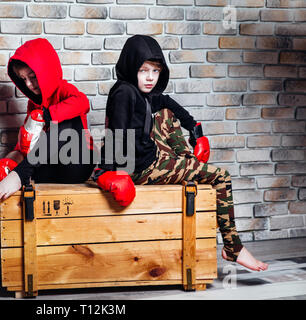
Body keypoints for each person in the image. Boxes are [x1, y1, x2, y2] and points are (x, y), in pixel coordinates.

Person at [94, 35, 268, 272]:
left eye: (155, 71)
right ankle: (232, 247)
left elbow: (167, 102)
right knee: (221, 176)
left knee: (165, 111)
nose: (149, 77)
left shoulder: (138, 91)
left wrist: (196, 131)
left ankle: (189, 167)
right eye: (143, 70)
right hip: (141, 169)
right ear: (131, 65)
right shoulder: (124, 93)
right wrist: (114, 174)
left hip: (150, 156)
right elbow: (117, 134)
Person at [0, 38, 97, 286]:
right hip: (50, 164)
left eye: (33, 76)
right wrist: (8, 162)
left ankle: (19, 176)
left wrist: (45, 115)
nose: (29, 84)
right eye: (23, 80)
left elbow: (83, 103)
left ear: (46, 69)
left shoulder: (65, 90)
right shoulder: (33, 102)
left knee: (63, 123)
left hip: (77, 162)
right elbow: (25, 145)